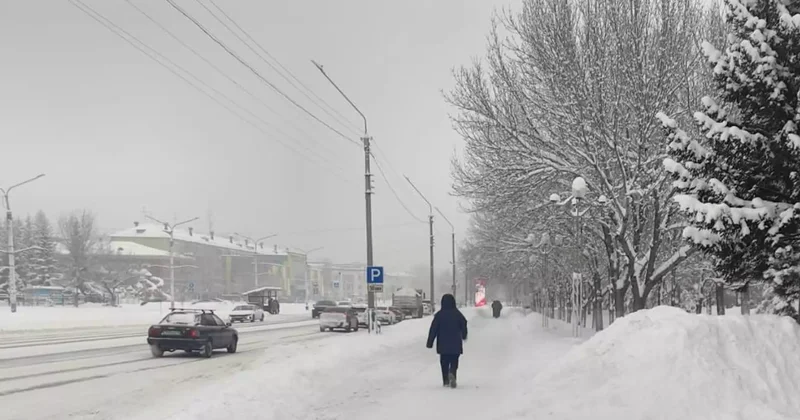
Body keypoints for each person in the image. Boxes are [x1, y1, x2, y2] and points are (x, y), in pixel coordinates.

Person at [426, 294, 468, 388]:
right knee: (454, 361)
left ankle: (446, 380)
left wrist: (430, 342)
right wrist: (464, 335)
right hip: (455, 343)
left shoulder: (439, 315)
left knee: (444, 362)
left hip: (443, 344)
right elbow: (464, 323)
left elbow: (433, 329)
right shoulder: (457, 314)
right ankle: (452, 372)